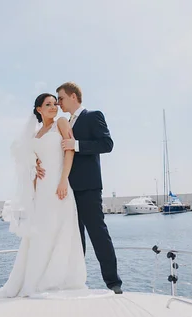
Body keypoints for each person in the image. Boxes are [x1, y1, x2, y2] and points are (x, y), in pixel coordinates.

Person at [0, 93, 87, 298]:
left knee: (60, 229)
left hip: (59, 184)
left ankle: (56, 279)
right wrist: (33, 165)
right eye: (48, 104)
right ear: (39, 109)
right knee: (41, 232)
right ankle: (33, 279)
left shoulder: (61, 123)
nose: (54, 107)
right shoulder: (34, 135)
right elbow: (26, 160)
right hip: (41, 189)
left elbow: (69, 151)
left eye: (55, 103)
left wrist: (64, 180)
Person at [39, 82, 122, 294]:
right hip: (66, 190)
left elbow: (107, 144)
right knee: (74, 237)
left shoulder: (93, 116)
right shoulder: (63, 123)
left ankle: (113, 283)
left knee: (98, 233)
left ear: (74, 97)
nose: (58, 103)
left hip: (88, 187)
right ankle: (74, 282)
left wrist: (76, 145)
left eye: (61, 98)